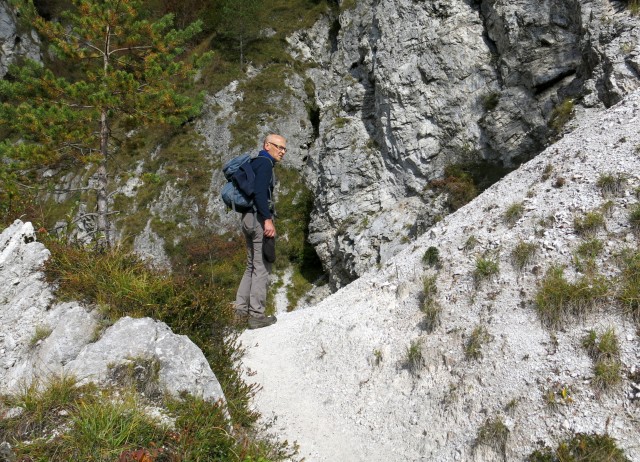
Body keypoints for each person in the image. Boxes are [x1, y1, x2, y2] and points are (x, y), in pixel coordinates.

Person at [234, 134, 286, 329]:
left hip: (246, 217)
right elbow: (259, 193)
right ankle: (256, 314)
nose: (282, 151)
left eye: (284, 149)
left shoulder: (255, 162)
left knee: (250, 266)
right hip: (257, 218)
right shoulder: (265, 163)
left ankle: (240, 312)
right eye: (278, 147)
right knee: (261, 267)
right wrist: (267, 220)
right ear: (267, 145)